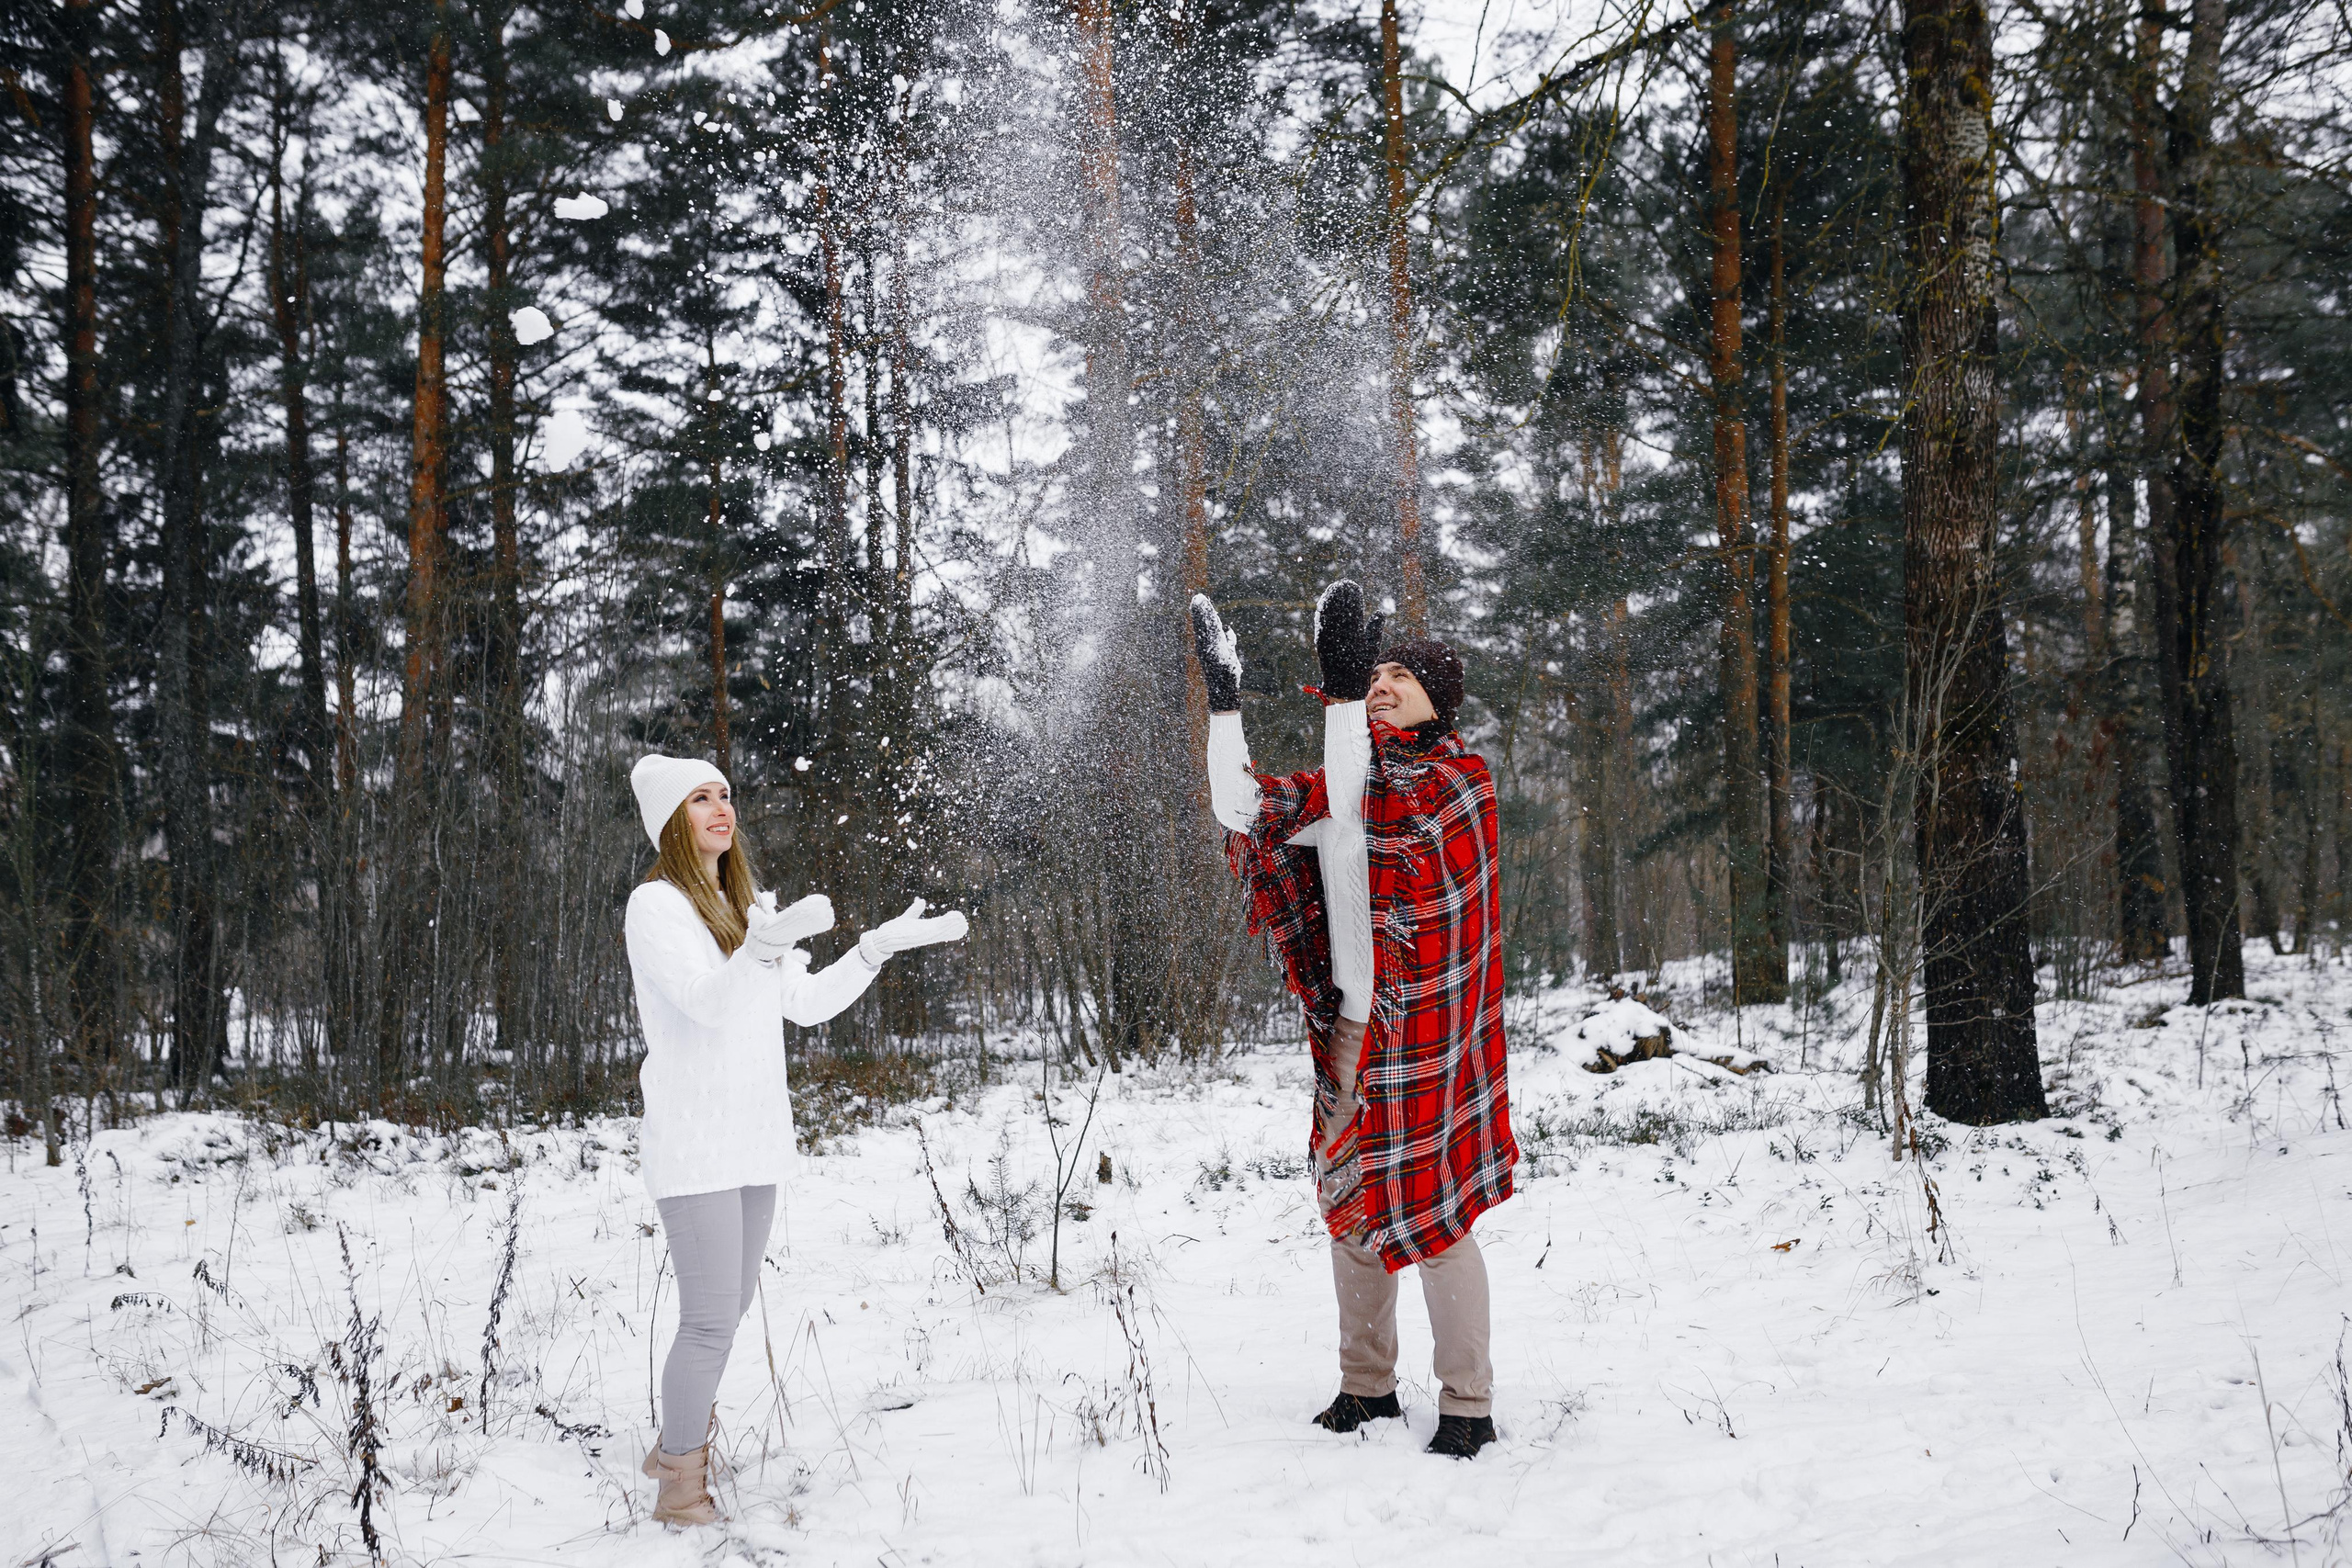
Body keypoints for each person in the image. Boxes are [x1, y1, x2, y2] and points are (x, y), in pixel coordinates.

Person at [1191, 583, 1516, 1459]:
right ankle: (1366, 1388)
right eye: (1370, 673)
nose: (1381, 683)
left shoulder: (1456, 782)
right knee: (1349, 1211)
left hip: (1429, 1041)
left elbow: (1373, 802)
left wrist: (1337, 701)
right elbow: (1240, 809)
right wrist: (1225, 706)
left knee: (1436, 1218)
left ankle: (1467, 1403)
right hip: (1350, 1033)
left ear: (1439, 701)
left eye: (1400, 675)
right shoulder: (1343, 780)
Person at [624, 753, 968, 1525]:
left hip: (754, 1137)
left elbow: (806, 1004)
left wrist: (872, 948)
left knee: (730, 1307)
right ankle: (679, 1483)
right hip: (696, 1138)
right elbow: (707, 1004)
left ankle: (671, 1438)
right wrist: (758, 949)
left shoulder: (744, 901)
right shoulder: (656, 907)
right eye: (700, 797)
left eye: (725, 793)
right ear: (670, 819)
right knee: (710, 1319)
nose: (721, 807)